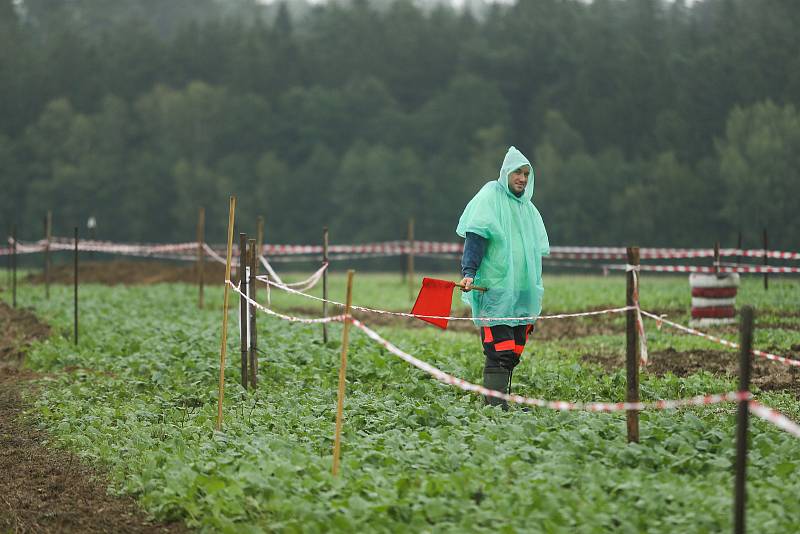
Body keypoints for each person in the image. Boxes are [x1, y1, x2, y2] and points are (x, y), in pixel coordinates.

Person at [456, 146, 549, 409]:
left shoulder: (528, 209)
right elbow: (476, 236)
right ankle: (494, 406)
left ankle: (501, 402)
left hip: (521, 291)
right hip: (494, 289)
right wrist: (469, 272)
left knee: (514, 352)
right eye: (518, 172)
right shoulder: (490, 197)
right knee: (499, 349)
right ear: (506, 172)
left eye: (527, 174)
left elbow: (533, 251)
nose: (522, 178)